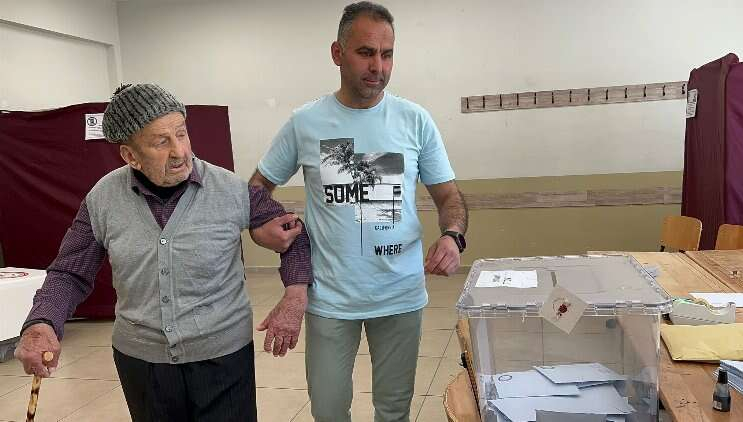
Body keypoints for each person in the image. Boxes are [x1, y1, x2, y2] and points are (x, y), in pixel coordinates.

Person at [14, 83, 312, 422]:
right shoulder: (102, 199)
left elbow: (295, 237)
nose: (180, 151)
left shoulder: (232, 190)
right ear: (130, 156)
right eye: (161, 142)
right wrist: (42, 321)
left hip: (223, 357)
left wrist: (294, 297)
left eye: (181, 134)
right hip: (143, 363)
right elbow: (69, 272)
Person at [250, 2, 468, 421]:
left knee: (394, 409)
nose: (378, 67)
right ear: (337, 53)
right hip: (330, 297)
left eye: (387, 55)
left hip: (400, 294)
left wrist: (452, 236)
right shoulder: (305, 122)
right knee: (329, 410)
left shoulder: (415, 120)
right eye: (366, 52)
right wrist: (262, 230)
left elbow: (450, 198)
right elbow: (257, 190)